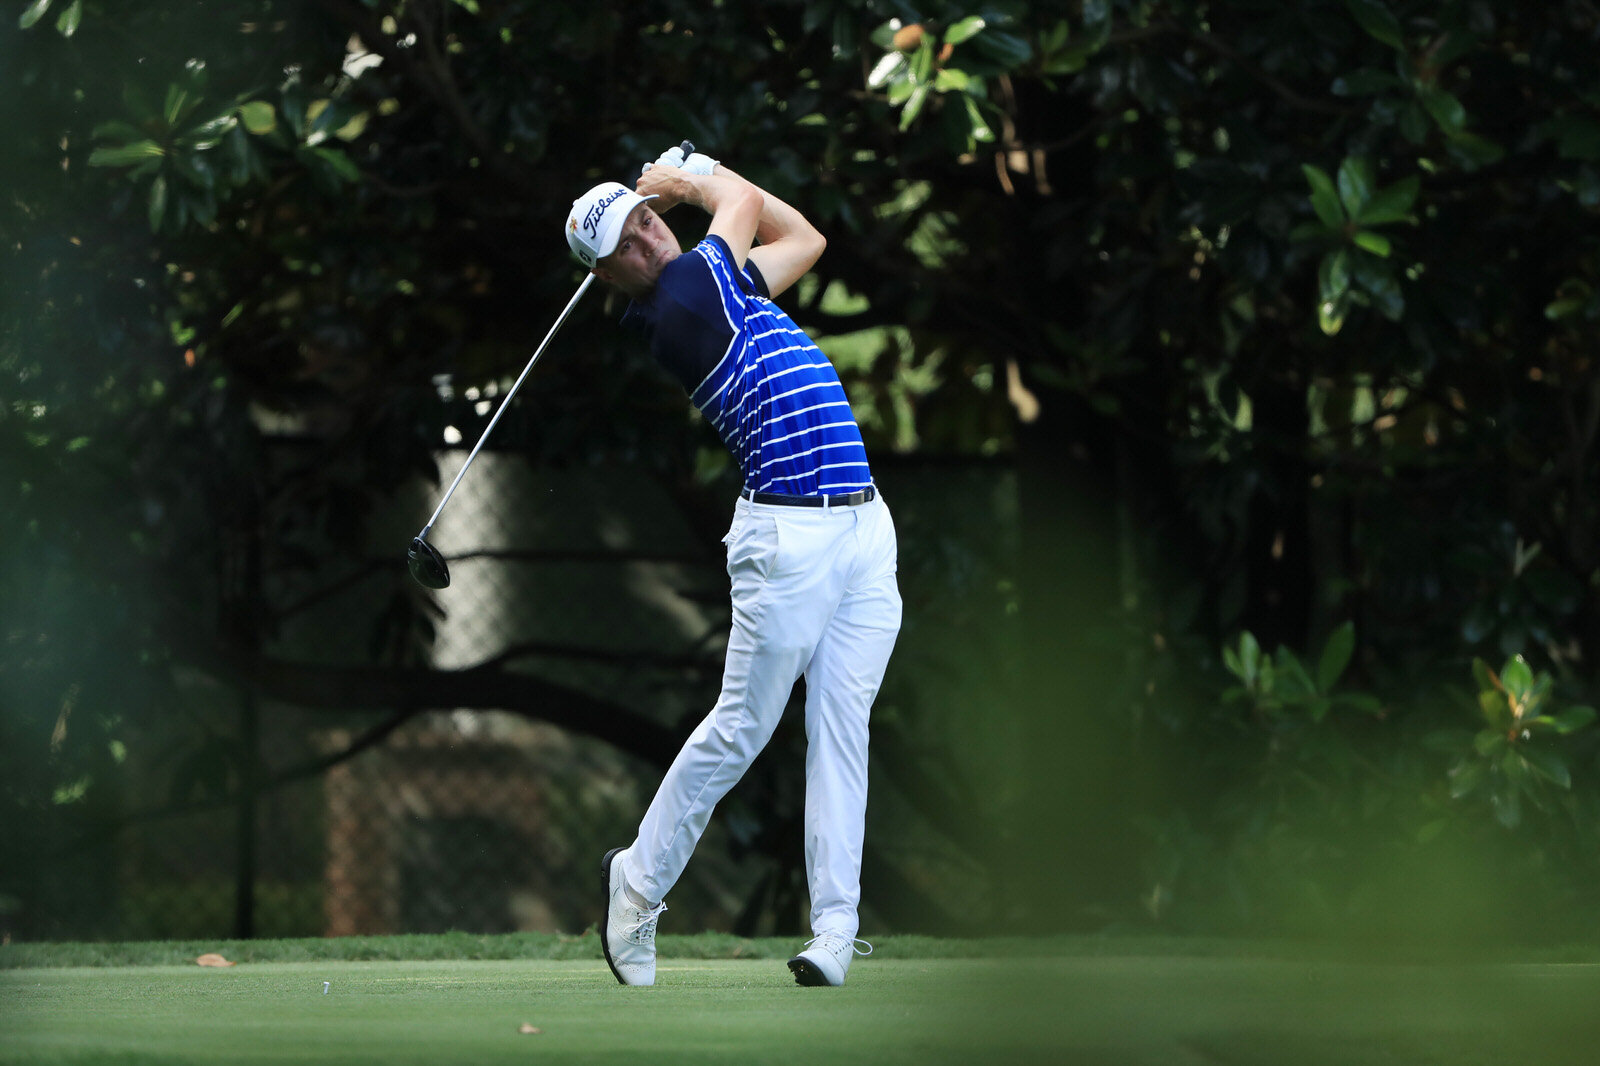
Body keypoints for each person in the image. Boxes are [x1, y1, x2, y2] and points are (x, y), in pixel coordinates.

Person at [564, 145, 902, 987]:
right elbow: (746, 198)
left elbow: (806, 238)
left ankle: (834, 930)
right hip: (786, 542)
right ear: (612, 278)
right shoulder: (680, 301)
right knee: (742, 728)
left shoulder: (720, 287)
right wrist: (690, 173)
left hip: (862, 527)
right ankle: (635, 884)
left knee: (841, 731)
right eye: (628, 246)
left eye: (648, 220)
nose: (649, 240)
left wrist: (691, 185)